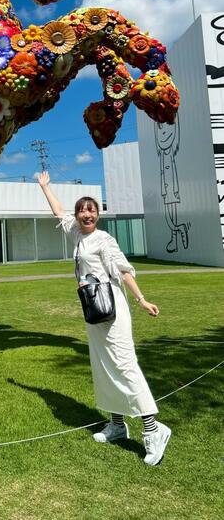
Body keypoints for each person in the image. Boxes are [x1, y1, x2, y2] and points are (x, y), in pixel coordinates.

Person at [37, 170, 171, 466]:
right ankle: (117, 425)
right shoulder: (76, 233)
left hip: (113, 308)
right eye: (83, 211)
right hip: (92, 309)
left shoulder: (104, 239)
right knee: (103, 366)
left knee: (124, 365)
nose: (87, 214)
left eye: (92, 210)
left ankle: (153, 430)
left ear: (98, 214)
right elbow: (59, 212)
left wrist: (141, 299)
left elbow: (123, 271)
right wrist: (45, 187)